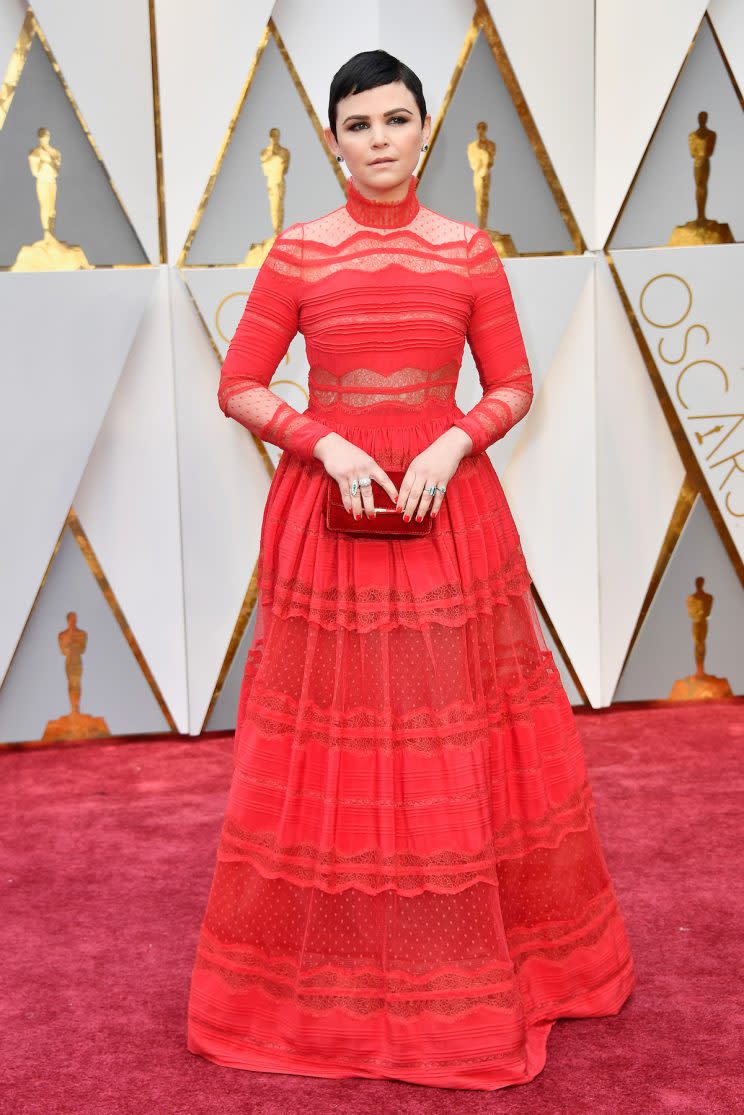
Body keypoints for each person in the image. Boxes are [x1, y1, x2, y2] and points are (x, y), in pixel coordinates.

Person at [186, 49, 636, 1091]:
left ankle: (477, 962)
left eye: (397, 120)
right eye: (360, 124)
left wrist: (450, 442)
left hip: (449, 514)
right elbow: (240, 384)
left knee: (453, 725)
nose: (380, 139)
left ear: (426, 131)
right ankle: (331, 975)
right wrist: (323, 442)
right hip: (328, 515)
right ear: (332, 138)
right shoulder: (298, 253)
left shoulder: (469, 250)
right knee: (332, 734)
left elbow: (514, 385)